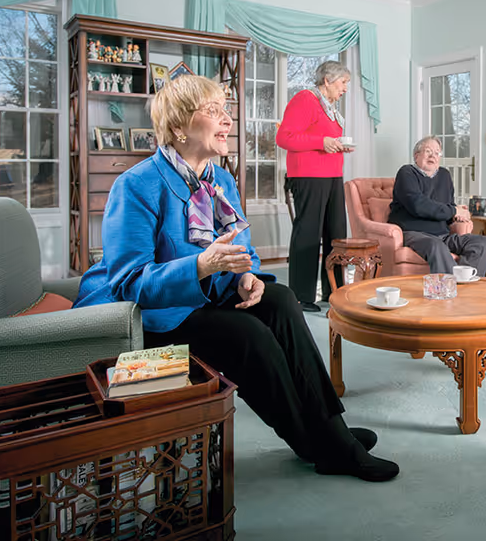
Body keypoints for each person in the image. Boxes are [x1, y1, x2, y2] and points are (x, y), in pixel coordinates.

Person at [74, 75, 398, 482]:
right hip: (155, 318)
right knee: (249, 335)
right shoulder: (136, 185)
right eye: (213, 112)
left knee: (279, 299)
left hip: (206, 298)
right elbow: (129, 282)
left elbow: (243, 250)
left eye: (226, 111)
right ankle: (320, 443)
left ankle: (328, 429)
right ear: (178, 127)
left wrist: (251, 278)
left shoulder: (220, 180)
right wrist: (200, 267)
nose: (227, 121)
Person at [276, 60, 354, 313]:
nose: (345, 88)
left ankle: (335, 291)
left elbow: (326, 140)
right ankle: (301, 296)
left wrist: (338, 144)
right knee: (308, 234)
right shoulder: (305, 99)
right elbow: (284, 137)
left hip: (332, 175)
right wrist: (323, 141)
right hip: (308, 176)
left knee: (336, 235)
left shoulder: (329, 107)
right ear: (328, 80)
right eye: (343, 83)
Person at [388, 136, 486, 275]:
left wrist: (458, 216)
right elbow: (418, 205)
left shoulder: (444, 175)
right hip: (414, 233)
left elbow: (448, 208)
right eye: (428, 151)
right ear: (416, 155)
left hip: (443, 235)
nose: (433, 156)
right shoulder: (407, 173)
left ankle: (466, 287)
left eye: (437, 153)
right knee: (436, 246)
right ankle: (447, 290)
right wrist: (454, 211)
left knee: (483, 243)